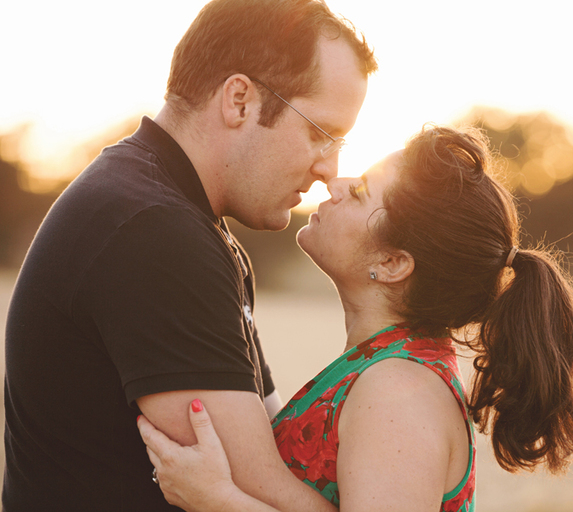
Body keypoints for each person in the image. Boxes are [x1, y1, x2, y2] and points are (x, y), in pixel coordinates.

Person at [3, 0, 376, 509]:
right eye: (319, 134)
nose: (329, 169)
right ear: (239, 100)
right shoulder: (153, 231)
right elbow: (262, 491)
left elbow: (274, 449)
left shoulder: (184, 221)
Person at [137, 125, 573, 511]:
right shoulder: (385, 368)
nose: (334, 184)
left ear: (392, 263)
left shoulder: (401, 395)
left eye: (360, 191)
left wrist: (217, 501)